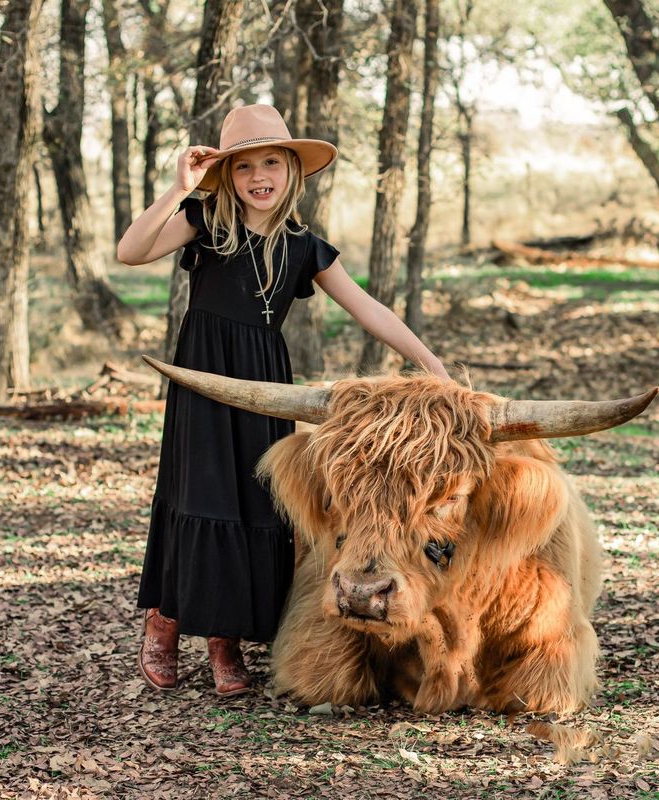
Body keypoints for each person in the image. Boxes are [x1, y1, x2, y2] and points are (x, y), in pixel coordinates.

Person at [117, 104, 450, 697]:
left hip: (267, 383)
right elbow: (131, 251)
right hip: (204, 376)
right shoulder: (205, 221)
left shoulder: (304, 246)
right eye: (243, 167)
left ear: (293, 170)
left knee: (259, 504)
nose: (258, 176)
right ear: (227, 175)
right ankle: (165, 618)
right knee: (198, 495)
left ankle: (226, 640)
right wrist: (178, 188)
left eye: (271, 162)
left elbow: (367, 307)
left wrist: (428, 361)